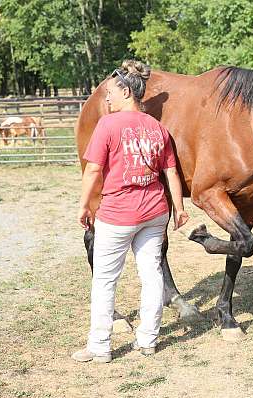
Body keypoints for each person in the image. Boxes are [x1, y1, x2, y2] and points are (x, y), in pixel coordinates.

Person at [72, 60, 189, 363]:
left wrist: (85, 204)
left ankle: (99, 347)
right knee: (151, 275)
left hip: (117, 214)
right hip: (155, 212)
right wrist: (179, 209)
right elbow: (172, 173)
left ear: (126, 91)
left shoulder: (107, 125)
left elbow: (93, 170)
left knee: (105, 280)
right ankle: (148, 340)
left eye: (110, 92)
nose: (107, 98)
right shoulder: (157, 127)